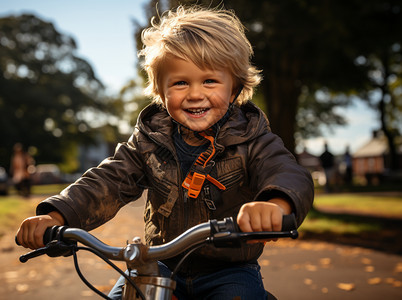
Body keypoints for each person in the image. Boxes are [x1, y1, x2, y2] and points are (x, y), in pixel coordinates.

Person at [16, 6, 314, 299]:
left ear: (234, 87)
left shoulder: (253, 138)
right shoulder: (148, 140)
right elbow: (107, 180)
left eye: (209, 80)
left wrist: (275, 205)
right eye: (180, 83)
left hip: (230, 269)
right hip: (160, 264)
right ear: (160, 91)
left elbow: (286, 172)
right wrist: (56, 215)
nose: (195, 93)